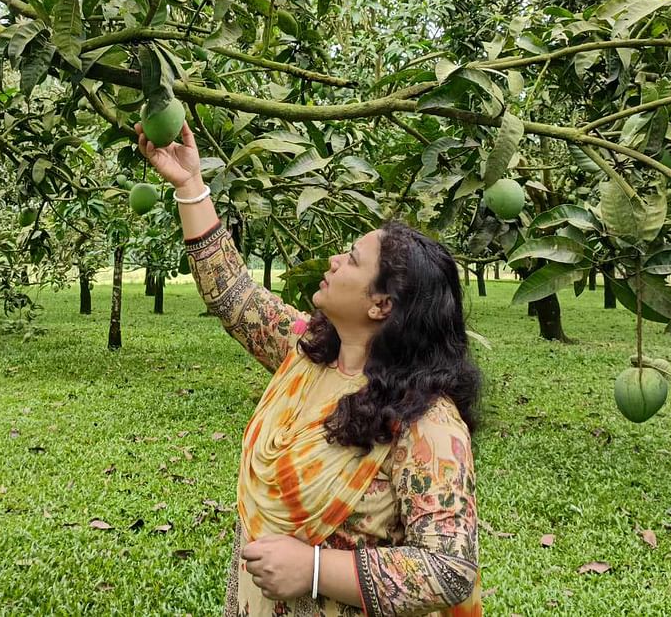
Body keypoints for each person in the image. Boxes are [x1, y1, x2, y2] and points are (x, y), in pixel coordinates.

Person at [137, 118, 483, 617]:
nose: (335, 260)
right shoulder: (309, 350)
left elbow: (449, 568)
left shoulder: (428, 422)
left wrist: (316, 568)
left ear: (381, 305)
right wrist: (190, 184)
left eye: (353, 259)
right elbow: (233, 295)